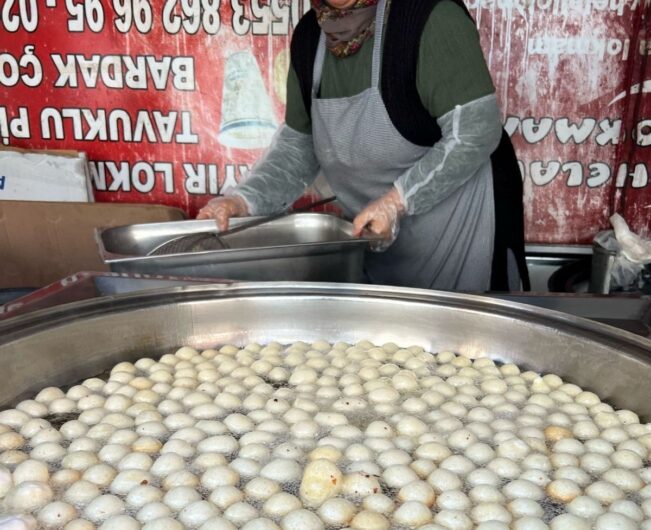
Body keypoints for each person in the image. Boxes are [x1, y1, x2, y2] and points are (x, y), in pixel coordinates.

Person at [198, 0, 530, 292]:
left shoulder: (428, 18)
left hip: (462, 232)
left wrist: (396, 202)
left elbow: (475, 131)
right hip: (376, 240)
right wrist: (243, 200)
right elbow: (298, 146)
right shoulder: (310, 37)